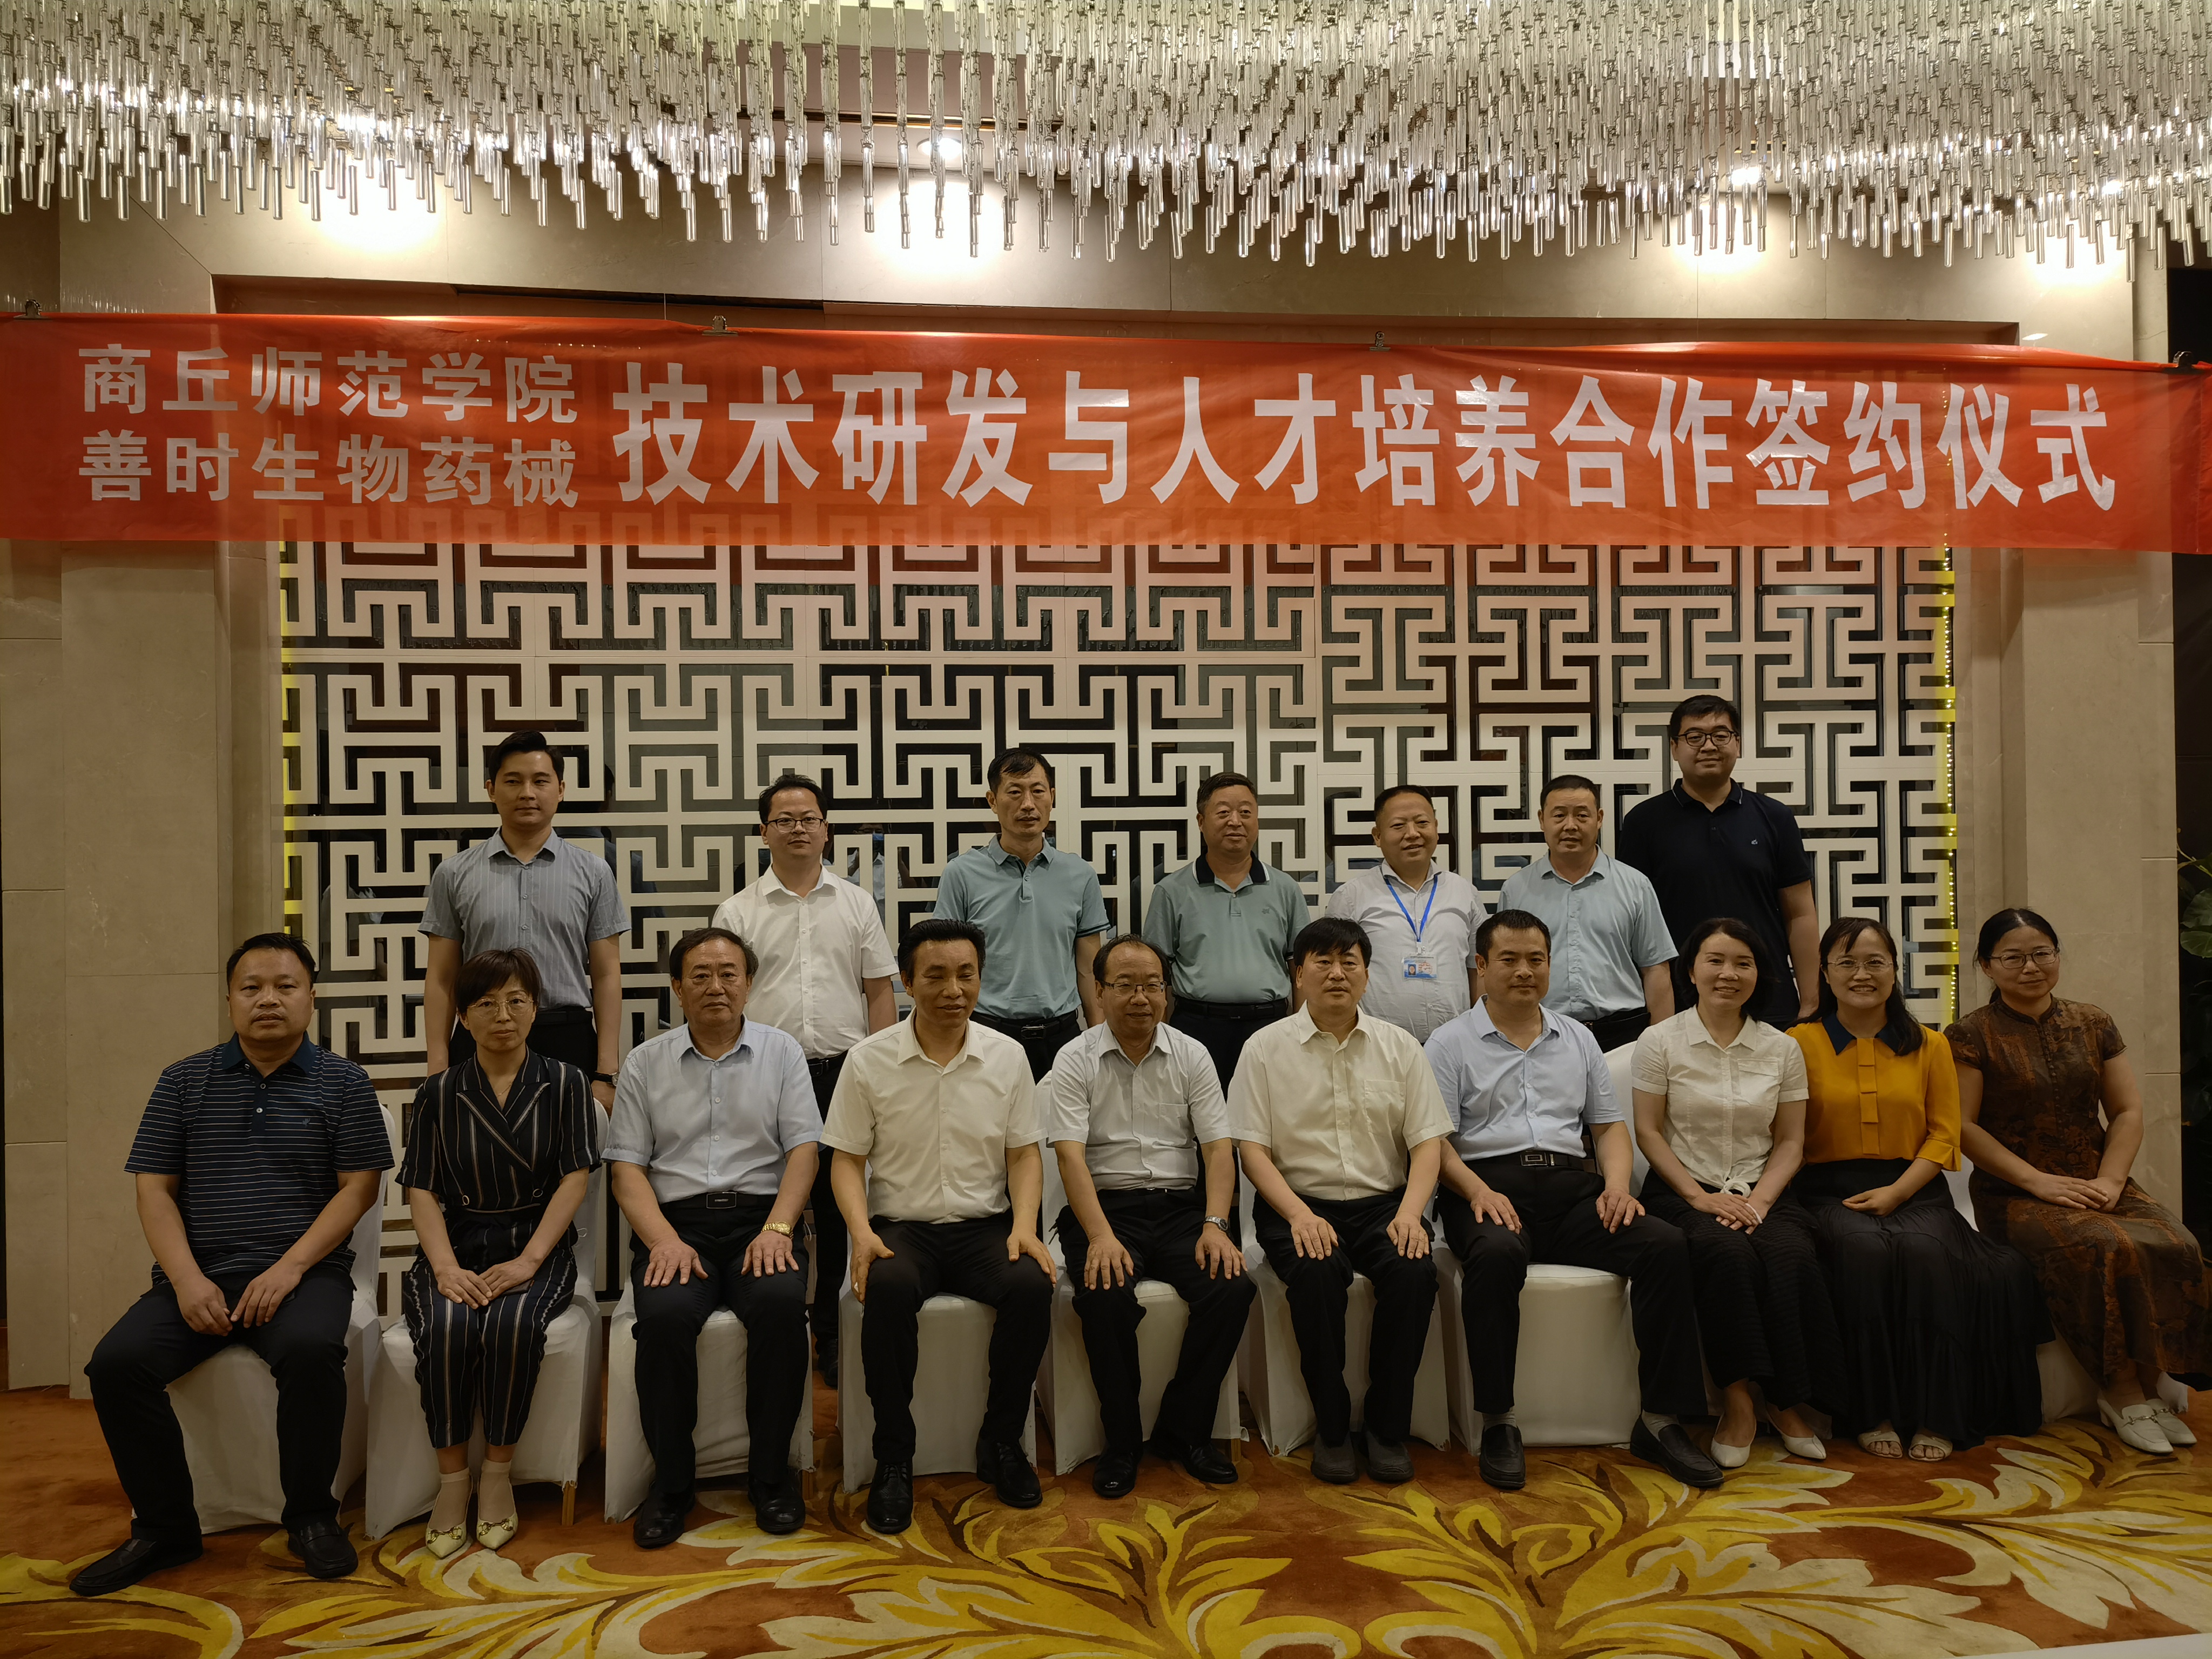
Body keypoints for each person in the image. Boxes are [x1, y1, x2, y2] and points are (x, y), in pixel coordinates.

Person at [72, 934, 392, 1597]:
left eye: (285, 986)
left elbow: (358, 1188)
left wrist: (290, 1268)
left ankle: (310, 1516)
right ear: (229, 1000)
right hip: (201, 1275)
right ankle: (165, 1529)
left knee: (310, 1350)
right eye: (252, 988)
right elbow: (154, 1190)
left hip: (304, 1275)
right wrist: (187, 1280)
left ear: (311, 997)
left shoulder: (345, 1083)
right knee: (116, 1365)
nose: (268, 1000)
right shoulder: (182, 1081)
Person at [1426, 910, 1719, 1492]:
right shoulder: (1449, 1042)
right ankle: (1499, 1420)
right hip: (1485, 1190)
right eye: (1509, 959)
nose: (1524, 971)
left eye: (1536, 959)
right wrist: (1478, 1190)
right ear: (1481, 966)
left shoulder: (1577, 1037)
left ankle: (1660, 1419)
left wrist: (1617, 1187)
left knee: (1664, 1244)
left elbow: (1608, 1128)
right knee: (1496, 1255)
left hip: (1571, 1191)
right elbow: (1434, 1140)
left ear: (1550, 965)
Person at [1947, 907, 2211, 1456]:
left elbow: (2127, 1111)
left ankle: (2152, 1384)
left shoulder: (2093, 1022)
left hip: (2097, 1178)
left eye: (2041, 953)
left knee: (2176, 1243)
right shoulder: (1971, 1033)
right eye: (2012, 957)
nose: (2030, 967)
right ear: (1986, 966)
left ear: (2057, 956)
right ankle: (2119, 1392)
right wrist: (2037, 1182)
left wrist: (2112, 1179)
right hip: (2013, 1192)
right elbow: (1963, 1127)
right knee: (2102, 1244)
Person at [825, 919, 1057, 1535]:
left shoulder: (1006, 1056)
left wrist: (1025, 1226)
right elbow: (846, 1160)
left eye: (966, 975)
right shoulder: (868, 1060)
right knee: (889, 1287)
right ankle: (894, 1457)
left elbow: (1024, 1154)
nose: (953, 990)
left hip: (985, 1227)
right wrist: (860, 1233)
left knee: (1031, 1286)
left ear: (980, 978)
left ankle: (1002, 1442)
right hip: (903, 1228)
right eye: (936, 976)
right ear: (907, 982)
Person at [1790, 916, 2049, 1461]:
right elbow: (1786, 1135)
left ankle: (1938, 1415)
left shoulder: (1930, 1044)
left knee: (1926, 1253)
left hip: (1916, 1186)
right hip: (1827, 1190)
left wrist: (1896, 1193)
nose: (1862, 974)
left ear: (1895, 970)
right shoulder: (1796, 1044)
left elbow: (1945, 1134)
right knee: (1861, 1252)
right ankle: (1871, 1412)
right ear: (1825, 974)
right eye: (1846, 963)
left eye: (1875, 962)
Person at [604, 928, 821, 1546]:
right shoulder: (645, 1063)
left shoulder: (782, 1053)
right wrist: (662, 1241)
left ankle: (770, 1478)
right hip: (676, 1227)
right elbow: (626, 1170)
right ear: (678, 988)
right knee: (665, 1318)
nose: (716, 987)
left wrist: (779, 1227)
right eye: (700, 975)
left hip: (762, 1222)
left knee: (780, 1308)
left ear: (749, 984)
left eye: (729, 974)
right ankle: (672, 1486)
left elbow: (804, 1151)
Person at [1232, 916, 1449, 1486]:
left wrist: (1411, 1214)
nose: (1336, 973)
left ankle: (1385, 1428)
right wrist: (1299, 1215)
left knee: (1414, 1272)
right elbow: (1251, 1150)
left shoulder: (1400, 1047)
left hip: (1385, 1206)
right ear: (1298, 974)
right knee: (1316, 1272)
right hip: (1297, 1203)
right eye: (1322, 962)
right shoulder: (1264, 1049)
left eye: (1349, 962)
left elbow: (1428, 1143)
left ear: (1366, 975)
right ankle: (1331, 1428)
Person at [399, 947, 598, 1556]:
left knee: (513, 1325)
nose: (503, 1015)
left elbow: (575, 1178)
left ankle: (496, 1475)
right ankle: (452, 1482)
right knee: (449, 1327)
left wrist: (530, 1261)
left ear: (536, 1009)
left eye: (516, 1001)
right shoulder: (438, 1092)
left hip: (535, 1244)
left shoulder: (566, 1082)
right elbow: (420, 1187)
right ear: (462, 1016)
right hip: (458, 1244)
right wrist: (443, 1267)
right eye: (486, 1003)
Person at [1045, 934, 1254, 1497]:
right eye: (1126, 985)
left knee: (1232, 1288)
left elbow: (1218, 1149)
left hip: (1181, 1209)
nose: (1141, 997)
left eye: (1153, 985)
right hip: (1104, 1208)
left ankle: (1184, 1432)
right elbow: (1069, 1156)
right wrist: (1099, 1236)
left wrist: (1216, 1225)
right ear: (1099, 991)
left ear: (1167, 992)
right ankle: (1121, 1442)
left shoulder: (1191, 1054)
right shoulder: (1075, 1058)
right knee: (1105, 1294)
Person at [1630, 918, 1840, 1468]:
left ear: (1759, 974)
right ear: (1691, 971)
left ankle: (1785, 1400)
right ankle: (1738, 1400)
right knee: (1725, 1254)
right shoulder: (1660, 1041)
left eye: (1743, 963)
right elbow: (1648, 1132)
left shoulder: (1781, 1048)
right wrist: (1699, 1199)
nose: (1729, 974)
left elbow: (1791, 1141)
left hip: (1761, 1189)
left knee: (1791, 1254)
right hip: (1683, 1190)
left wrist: (1759, 1203)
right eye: (1716, 961)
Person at [713, 772, 898, 1387]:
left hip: (845, 1072)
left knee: (843, 1208)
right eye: (784, 820)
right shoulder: (737, 911)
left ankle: (834, 1334)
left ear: (827, 829)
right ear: (764, 831)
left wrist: (879, 1068)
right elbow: (727, 1000)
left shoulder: (856, 903)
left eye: (809, 819)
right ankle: (775, 1320)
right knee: (775, 1200)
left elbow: (878, 992)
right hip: (765, 1074)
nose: (798, 829)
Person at [422, 729, 629, 1109]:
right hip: (482, 1034)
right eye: (513, 781)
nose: (527, 793)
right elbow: (441, 978)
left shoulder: (594, 872)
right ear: (491, 789)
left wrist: (605, 1072)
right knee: (479, 1144)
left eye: (540, 781)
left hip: (566, 1036)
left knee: (568, 1145)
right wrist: (438, 1067)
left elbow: (606, 975)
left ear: (561, 790)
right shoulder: (453, 874)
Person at [1616, 696, 1819, 1029]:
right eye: (1694, 737)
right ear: (1674, 747)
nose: (1708, 746)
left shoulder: (1775, 817)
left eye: (1721, 735)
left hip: (1768, 997)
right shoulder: (1644, 822)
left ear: (1738, 743)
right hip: (1678, 1000)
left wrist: (1811, 1001)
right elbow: (1633, 923)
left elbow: (1800, 914)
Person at [932, 748, 1110, 1081]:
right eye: (1014, 792)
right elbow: (947, 965)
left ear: (1052, 797)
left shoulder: (1080, 874)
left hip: (1062, 1037)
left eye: (1038, 791)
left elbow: (1088, 969)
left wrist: (1099, 1040)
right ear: (992, 800)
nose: (1028, 804)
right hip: (986, 1033)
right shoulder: (962, 873)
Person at [1145, 771, 1312, 1089]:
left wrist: (1304, 1032)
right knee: (1197, 1116)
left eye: (1246, 812)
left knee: (1268, 1114)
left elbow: (1301, 970)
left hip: (1269, 1026)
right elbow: (1157, 976)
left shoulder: (1285, 888)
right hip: (1196, 1027)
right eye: (1223, 812)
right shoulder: (1171, 890)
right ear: (1201, 821)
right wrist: (1159, 1038)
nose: (1235, 821)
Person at [1499, 774, 1676, 1050]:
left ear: (1599, 818)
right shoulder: (1516, 890)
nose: (1570, 826)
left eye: (1582, 815)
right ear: (1542, 820)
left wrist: (1663, 1047)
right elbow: (1504, 970)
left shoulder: (1635, 885)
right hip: (1542, 1032)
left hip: (1622, 1033)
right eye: (1559, 815)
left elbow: (1655, 969)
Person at [1324, 783, 1485, 1043]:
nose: (1412, 834)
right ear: (1378, 836)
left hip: (1455, 1046)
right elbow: (1335, 974)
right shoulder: (1351, 897)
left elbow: (1478, 970)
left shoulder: (1465, 893)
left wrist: (1480, 1037)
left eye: (1422, 823)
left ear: (1436, 827)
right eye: (1398, 825)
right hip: (1378, 1046)